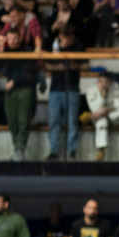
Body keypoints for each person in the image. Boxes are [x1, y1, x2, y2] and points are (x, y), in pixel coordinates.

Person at [45, 23, 87, 160]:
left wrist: (74, 66)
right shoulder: (54, 47)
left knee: (72, 121)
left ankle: (72, 151)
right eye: (64, 36)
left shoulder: (78, 46)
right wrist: (58, 67)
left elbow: (87, 65)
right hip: (55, 89)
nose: (66, 40)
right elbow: (44, 63)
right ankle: (54, 150)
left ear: (72, 36)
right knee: (54, 121)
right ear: (60, 36)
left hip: (72, 89)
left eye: (69, 37)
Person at [0, 29, 36, 162]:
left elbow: (29, 71)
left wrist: (14, 81)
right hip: (10, 91)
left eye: (14, 38)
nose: (12, 41)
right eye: (10, 39)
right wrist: (1, 48)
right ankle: (17, 149)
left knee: (23, 120)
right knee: (11, 120)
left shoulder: (27, 51)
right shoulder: (5, 52)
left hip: (24, 89)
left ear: (19, 38)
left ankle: (20, 149)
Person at [84, 70, 119, 161]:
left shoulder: (115, 86)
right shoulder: (91, 90)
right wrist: (102, 95)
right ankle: (101, 151)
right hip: (98, 117)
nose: (105, 84)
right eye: (102, 82)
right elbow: (95, 109)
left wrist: (106, 111)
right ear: (98, 81)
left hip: (112, 115)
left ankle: (106, 117)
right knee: (102, 122)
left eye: (107, 82)